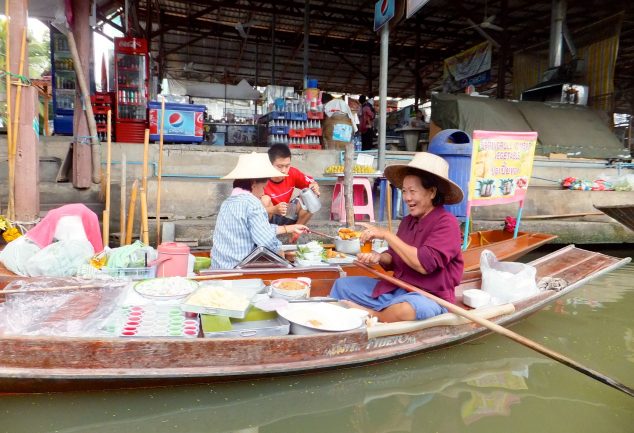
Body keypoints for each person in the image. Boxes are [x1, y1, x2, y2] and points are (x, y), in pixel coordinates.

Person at [329, 152, 464, 322]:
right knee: (343, 285)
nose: (407, 198)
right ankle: (371, 315)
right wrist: (378, 257)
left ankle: (374, 316)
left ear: (431, 192)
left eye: (412, 191)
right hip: (397, 288)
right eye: (404, 191)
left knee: (408, 309)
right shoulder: (408, 221)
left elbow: (423, 265)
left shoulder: (447, 223)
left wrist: (386, 234)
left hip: (429, 297)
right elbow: (393, 258)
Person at [211, 152, 308, 269]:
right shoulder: (252, 203)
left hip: (219, 267)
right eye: (263, 187)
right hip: (238, 269)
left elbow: (258, 229)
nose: (263, 193)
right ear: (253, 183)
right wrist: (279, 251)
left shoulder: (227, 203)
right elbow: (266, 241)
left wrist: (289, 228)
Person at [261, 144, 321, 228]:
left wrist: (314, 186)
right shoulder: (261, 178)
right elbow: (253, 210)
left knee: (310, 195)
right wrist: (274, 209)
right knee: (265, 200)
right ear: (270, 164)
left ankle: (296, 231)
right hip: (269, 216)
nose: (284, 170)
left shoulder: (292, 173)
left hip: (287, 213)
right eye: (279, 166)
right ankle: (265, 233)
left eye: (287, 166)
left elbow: (311, 183)